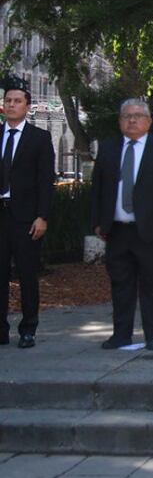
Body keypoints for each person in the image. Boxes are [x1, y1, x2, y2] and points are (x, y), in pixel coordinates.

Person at [91, 99, 153, 351]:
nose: (131, 120)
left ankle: (152, 334)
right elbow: (98, 188)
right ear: (120, 121)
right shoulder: (109, 149)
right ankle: (121, 334)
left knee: (151, 283)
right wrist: (98, 221)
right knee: (120, 283)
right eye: (126, 116)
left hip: (150, 229)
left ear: (148, 120)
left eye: (137, 116)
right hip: (118, 228)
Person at [0, 84, 55, 348]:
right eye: (8, 100)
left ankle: (28, 329)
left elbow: (46, 181)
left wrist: (42, 216)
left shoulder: (39, 138)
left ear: (27, 106)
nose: (11, 104)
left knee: (27, 274)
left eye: (17, 101)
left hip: (25, 218)